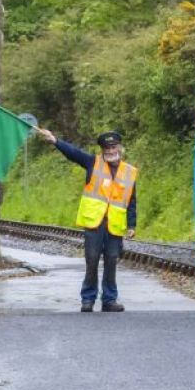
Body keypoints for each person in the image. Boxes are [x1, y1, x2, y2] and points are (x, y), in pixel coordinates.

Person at [35, 129, 137, 312]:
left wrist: (131, 224)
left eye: (113, 147)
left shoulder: (129, 172)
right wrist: (55, 140)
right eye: (107, 147)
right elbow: (74, 153)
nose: (111, 150)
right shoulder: (93, 162)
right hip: (94, 223)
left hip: (114, 225)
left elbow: (131, 200)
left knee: (112, 260)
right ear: (102, 149)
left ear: (119, 147)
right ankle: (88, 299)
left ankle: (109, 300)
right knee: (91, 260)